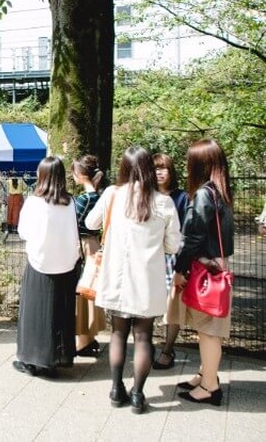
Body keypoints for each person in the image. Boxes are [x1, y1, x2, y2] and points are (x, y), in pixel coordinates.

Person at [86, 147, 181, 414]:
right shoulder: (163, 202)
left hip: (117, 280)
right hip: (147, 283)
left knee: (118, 334)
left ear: (123, 168)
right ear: (149, 169)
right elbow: (174, 245)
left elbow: (92, 223)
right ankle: (138, 395)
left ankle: (116, 390)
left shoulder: (113, 194)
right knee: (143, 337)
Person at [173, 139, 234, 407]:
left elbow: (192, 237)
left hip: (206, 270)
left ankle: (210, 386)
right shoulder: (222, 193)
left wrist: (180, 269)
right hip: (219, 267)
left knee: (208, 331)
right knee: (208, 329)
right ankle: (206, 374)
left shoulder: (203, 195)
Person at [13, 157, 80, 377]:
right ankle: (58, 357)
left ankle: (32, 360)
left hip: (40, 263)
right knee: (60, 314)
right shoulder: (69, 202)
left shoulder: (34, 202)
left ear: (41, 176)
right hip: (66, 265)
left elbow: (23, 231)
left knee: (34, 315)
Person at [152, 153, 190, 370]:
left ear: (171, 171)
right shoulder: (147, 196)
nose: (159, 172)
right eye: (155, 168)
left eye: (163, 168)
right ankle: (146, 345)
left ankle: (168, 349)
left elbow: (185, 230)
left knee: (172, 305)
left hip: (173, 257)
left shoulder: (182, 197)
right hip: (150, 256)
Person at [72, 154, 107, 358]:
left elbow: (74, 223)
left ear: (80, 174)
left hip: (84, 246)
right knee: (91, 291)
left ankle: (83, 340)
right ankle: (89, 337)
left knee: (83, 292)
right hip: (94, 244)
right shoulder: (100, 196)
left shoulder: (85, 199)